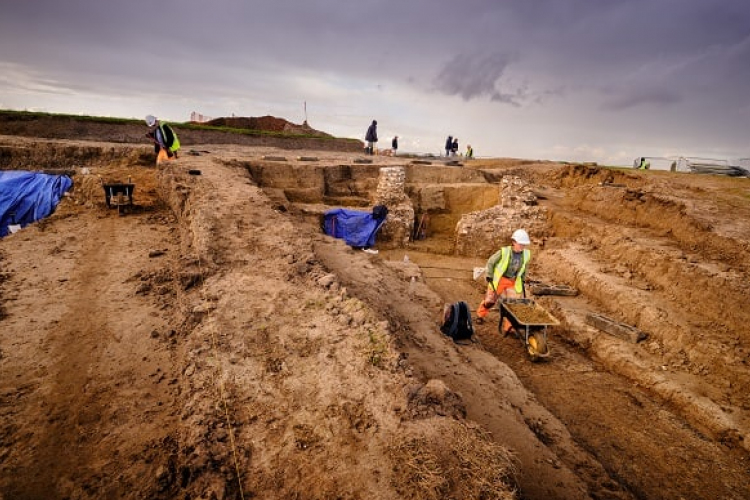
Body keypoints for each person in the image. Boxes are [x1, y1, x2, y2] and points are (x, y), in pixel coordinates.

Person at [476, 229, 532, 334]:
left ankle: (508, 328)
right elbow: (491, 262)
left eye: (524, 244)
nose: (522, 246)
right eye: (520, 244)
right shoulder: (504, 252)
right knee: (490, 300)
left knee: (512, 305)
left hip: (513, 281)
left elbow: (524, 267)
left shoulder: (526, 254)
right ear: (514, 242)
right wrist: (489, 275)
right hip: (500, 280)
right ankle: (480, 315)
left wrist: (523, 278)